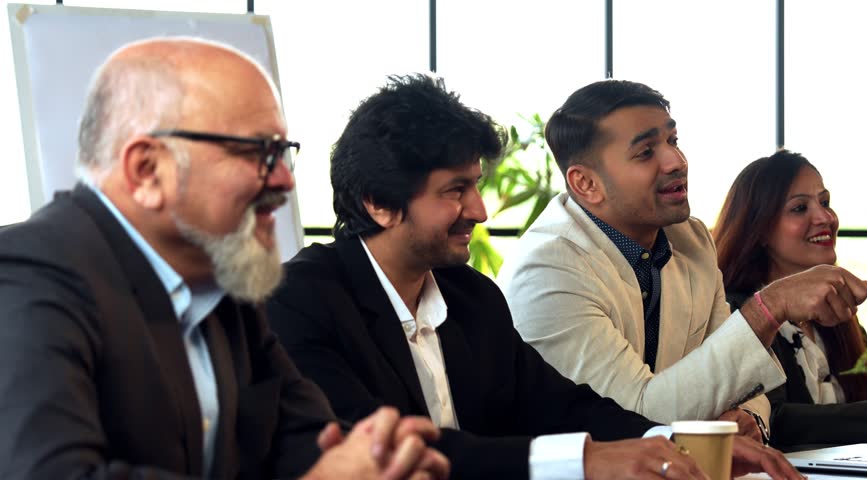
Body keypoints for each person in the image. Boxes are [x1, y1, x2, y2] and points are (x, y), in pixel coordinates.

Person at [267, 73, 806, 480]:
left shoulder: (471, 297)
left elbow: (561, 404)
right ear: (379, 204)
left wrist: (677, 442)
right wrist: (590, 460)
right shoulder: (302, 300)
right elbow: (387, 452)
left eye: (476, 186)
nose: (479, 211)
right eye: (455, 191)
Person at [0, 37, 449, 480]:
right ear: (147, 170)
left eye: (283, 152)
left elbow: (306, 441)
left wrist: (380, 459)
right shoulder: (27, 277)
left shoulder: (223, 286)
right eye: (258, 153)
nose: (285, 181)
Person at [496, 79, 867, 438]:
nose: (676, 161)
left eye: (673, 140)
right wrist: (770, 306)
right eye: (646, 152)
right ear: (586, 184)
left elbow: (738, 374)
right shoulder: (548, 269)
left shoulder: (690, 239)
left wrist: (750, 418)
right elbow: (634, 420)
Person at [713, 149, 867, 450]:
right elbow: (774, 421)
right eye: (799, 208)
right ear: (760, 229)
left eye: (825, 202)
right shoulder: (737, 313)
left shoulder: (835, 308)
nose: (825, 218)